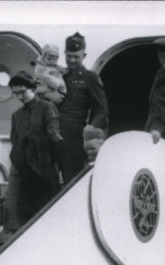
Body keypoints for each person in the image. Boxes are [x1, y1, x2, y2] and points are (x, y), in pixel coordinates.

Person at [6, 71, 64, 233]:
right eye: (16, 93)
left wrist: (54, 167)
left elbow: (55, 138)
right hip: (26, 175)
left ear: (33, 88)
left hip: (45, 173)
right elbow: (15, 142)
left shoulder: (47, 108)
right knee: (26, 216)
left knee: (50, 217)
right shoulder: (17, 115)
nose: (19, 97)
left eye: (23, 92)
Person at [58, 32, 109, 183]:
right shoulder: (58, 75)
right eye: (69, 56)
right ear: (64, 53)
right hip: (53, 136)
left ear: (84, 55)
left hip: (74, 139)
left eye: (76, 57)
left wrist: (91, 130)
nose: (72, 60)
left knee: (71, 181)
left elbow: (102, 109)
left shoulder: (89, 78)